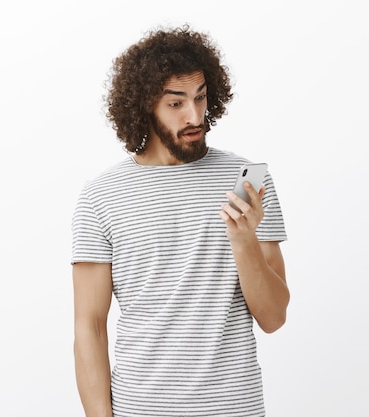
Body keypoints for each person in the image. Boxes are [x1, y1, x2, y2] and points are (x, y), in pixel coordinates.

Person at [71, 25, 289, 417]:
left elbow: (274, 318)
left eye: (201, 97)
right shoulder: (100, 197)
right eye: (176, 104)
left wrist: (243, 240)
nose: (195, 116)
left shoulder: (246, 182)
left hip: (233, 409)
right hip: (140, 408)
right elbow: (90, 327)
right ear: (144, 106)